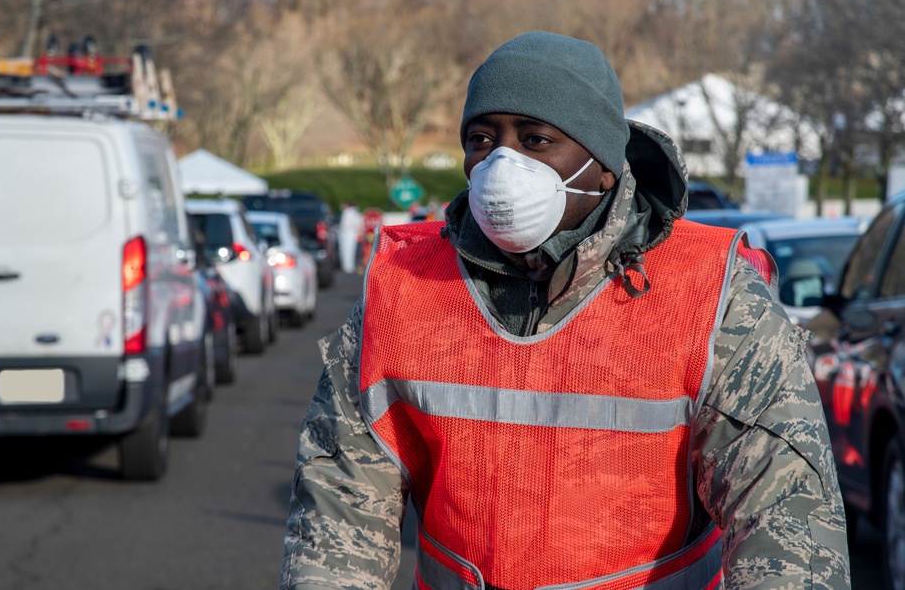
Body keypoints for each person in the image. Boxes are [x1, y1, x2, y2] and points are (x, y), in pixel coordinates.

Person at [280, 31, 850, 590]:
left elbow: (785, 515)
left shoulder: (714, 296)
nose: (501, 164)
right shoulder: (405, 286)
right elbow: (340, 504)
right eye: (481, 139)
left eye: (535, 139)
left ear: (603, 165)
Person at [338, 202, 363, 274]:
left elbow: (345, 225)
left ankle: (347, 266)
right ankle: (349, 266)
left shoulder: (348, 212)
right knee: (350, 250)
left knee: (346, 250)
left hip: (347, 233)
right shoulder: (355, 213)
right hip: (351, 233)